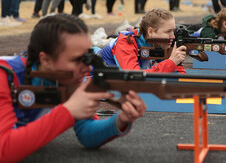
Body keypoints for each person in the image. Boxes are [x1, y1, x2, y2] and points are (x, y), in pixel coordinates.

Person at [0, 14, 146, 162]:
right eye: (77, 60)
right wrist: (67, 111)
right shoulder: (4, 76)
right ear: (45, 60)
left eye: (88, 57)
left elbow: (87, 133)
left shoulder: (65, 79)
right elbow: (4, 151)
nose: (87, 67)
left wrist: (120, 120)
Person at [99, 8, 187, 73]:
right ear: (150, 31)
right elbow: (134, 77)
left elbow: (180, 78)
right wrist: (171, 63)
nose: (173, 36)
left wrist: (177, 63)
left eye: (173, 31)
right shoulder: (126, 42)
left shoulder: (159, 43)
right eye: (168, 31)